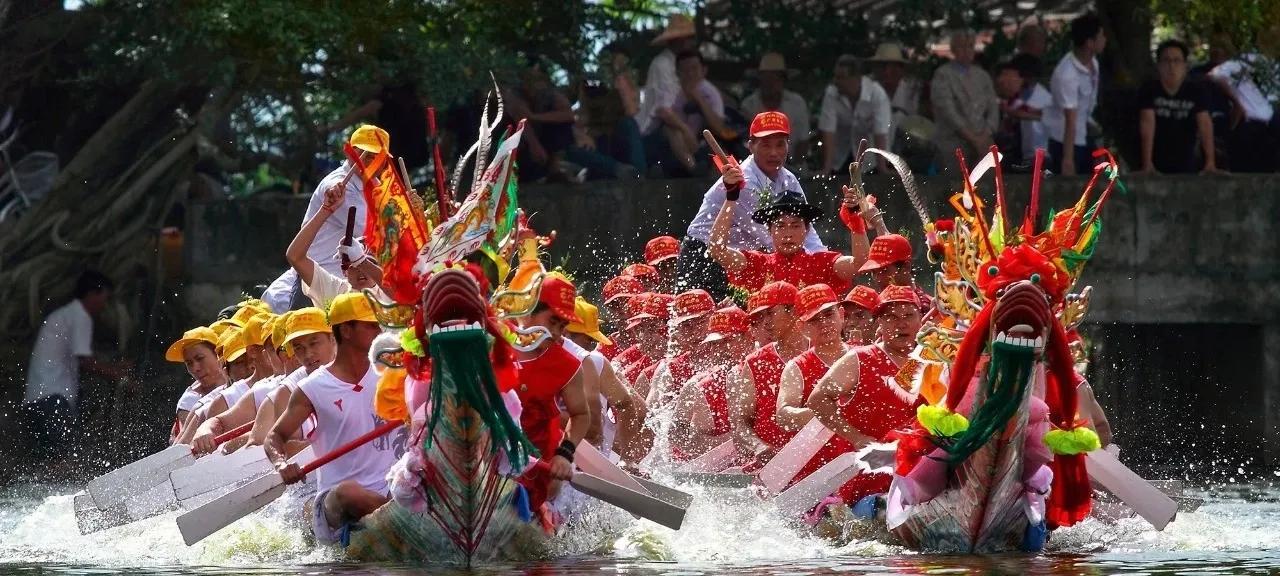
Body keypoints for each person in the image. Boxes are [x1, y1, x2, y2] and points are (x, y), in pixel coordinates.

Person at [268, 293, 405, 545]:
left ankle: (402, 516)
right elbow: (274, 437)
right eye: (370, 325)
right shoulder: (312, 388)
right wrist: (281, 464)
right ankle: (407, 523)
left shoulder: (394, 372)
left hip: (397, 485)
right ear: (346, 331)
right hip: (339, 502)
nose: (378, 330)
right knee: (348, 493)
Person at [679, 111, 826, 298]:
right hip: (704, 256)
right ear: (750, 146)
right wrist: (812, 273)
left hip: (740, 259)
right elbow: (772, 239)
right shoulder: (745, 181)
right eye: (765, 145)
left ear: (788, 146)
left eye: (780, 145)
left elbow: (807, 231)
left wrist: (824, 264)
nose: (774, 153)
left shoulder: (788, 179)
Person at [807, 285, 926, 505]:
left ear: (921, 319)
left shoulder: (931, 359)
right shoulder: (859, 359)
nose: (901, 324)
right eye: (890, 317)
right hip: (870, 479)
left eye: (909, 315)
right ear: (879, 322)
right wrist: (856, 438)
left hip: (921, 474)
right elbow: (817, 400)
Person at [262, 125, 388, 312]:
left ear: (385, 161)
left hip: (361, 280)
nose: (369, 161)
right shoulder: (338, 187)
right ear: (350, 153)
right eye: (364, 154)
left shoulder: (377, 185)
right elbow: (379, 237)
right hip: (324, 280)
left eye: (376, 156)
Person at [22, 270, 130, 462]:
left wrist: (113, 367)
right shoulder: (80, 316)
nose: (104, 305)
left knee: (47, 463)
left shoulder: (64, 315)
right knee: (63, 461)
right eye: (104, 298)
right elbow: (86, 362)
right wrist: (118, 375)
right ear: (92, 294)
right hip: (53, 399)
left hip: (36, 399)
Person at [510, 275, 593, 512]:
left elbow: (581, 415)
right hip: (487, 455)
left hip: (537, 464)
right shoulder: (492, 344)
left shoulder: (567, 364)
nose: (557, 333)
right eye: (553, 321)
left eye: (562, 326)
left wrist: (564, 455)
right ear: (527, 312)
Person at [708, 183, 870, 295]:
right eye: (780, 225)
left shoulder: (822, 263)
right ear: (769, 230)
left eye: (795, 225)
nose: (788, 233)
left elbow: (860, 263)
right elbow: (717, 250)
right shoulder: (757, 264)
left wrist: (855, 221)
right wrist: (731, 197)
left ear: (806, 230)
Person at [728, 281, 809, 463]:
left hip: (820, 464)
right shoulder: (755, 362)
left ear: (794, 311)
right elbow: (740, 424)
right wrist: (758, 447)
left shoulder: (820, 352)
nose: (765, 323)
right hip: (773, 468)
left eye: (770, 313)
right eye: (761, 317)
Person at [564, 297, 651, 461]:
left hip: (589, 463)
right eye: (588, 340)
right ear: (564, 333)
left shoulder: (597, 362)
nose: (592, 348)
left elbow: (633, 408)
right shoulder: (532, 357)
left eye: (593, 341)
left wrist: (628, 460)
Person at [285, 180, 386, 309]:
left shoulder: (388, 294)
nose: (361, 271)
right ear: (344, 271)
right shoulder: (336, 291)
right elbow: (295, 257)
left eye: (370, 263)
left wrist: (361, 261)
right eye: (353, 265)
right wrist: (325, 210)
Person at [670, 305, 753, 460]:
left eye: (727, 340)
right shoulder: (697, 386)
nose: (720, 350)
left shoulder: (765, 368)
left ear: (749, 338)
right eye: (715, 344)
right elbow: (675, 433)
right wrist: (727, 444)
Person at [1138, 40, 1222, 175]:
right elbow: (1147, 124)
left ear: (1185, 66)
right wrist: (1147, 164)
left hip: (1186, 159)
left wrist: (1210, 163)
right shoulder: (1149, 89)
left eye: (1177, 61)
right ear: (1158, 65)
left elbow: (1205, 124)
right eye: (1166, 61)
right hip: (1157, 157)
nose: (1171, 66)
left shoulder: (1196, 90)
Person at [775, 284, 848, 435]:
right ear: (801, 326)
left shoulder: (862, 354)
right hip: (825, 457)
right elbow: (784, 416)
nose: (824, 323)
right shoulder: (796, 367)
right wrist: (833, 411)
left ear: (841, 314)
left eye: (828, 314)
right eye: (814, 319)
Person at [637, 14, 700, 177]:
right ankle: (694, 169)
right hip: (652, 133)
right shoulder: (663, 64)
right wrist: (686, 130)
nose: (691, 43)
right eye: (687, 39)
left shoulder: (685, 65)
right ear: (678, 40)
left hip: (677, 125)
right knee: (674, 130)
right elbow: (664, 111)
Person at [1043, 13, 1106, 176]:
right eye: (1101, 36)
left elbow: (1086, 105)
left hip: (1084, 132)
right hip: (1066, 141)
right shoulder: (1067, 74)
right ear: (1090, 43)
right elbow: (1070, 119)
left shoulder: (1094, 63)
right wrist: (1068, 159)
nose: (1104, 39)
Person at [931, 29, 1000, 172]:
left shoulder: (982, 76)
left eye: (970, 46)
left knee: (987, 186)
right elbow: (948, 111)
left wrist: (986, 133)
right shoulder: (942, 75)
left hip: (983, 140)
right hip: (953, 142)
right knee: (955, 187)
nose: (966, 50)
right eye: (962, 46)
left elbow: (993, 108)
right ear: (953, 49)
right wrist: (973, 138)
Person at [1208, 45, 1279, 173]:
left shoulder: (1266, 63)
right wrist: (1237, 102)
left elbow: (1214, 75)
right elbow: (1215, 75)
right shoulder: (1243, 61)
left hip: (1266, 127)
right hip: (1251, 125)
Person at [819, 55, 893, 174]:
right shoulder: (831, 93)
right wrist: (826, 168)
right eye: (835, 77)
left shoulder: (877, 94)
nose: (836, 81)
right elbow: (828, 132)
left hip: (871, 159)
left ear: (856, 78)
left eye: (841, 77)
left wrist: (882, 168)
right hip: (841, 156)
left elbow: (880, 133)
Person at [645, 289, 715, 411]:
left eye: (700, 322)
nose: (694, 331)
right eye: (687, 325)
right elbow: (651, 415)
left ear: (713, 317)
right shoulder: (669, 369)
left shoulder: (735, 354)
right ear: (678, 329)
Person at [742, 53, 812, 159]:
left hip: (793, 164)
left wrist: (795, 164)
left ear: (783, 80)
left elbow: (804, 140)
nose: (771, 83)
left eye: (775, 78)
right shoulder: (749, 106)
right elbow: (745, 143)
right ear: (760, 80)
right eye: (767, 79)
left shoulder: (797, 103)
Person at [166, 326, 230, 442]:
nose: (195, 368)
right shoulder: (189, 400)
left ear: (218, 354)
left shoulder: (238, 377)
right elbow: (185, 446)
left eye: (200, 358)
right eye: (189, 363)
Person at [995, 55, 1052, 167]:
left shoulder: (1043, 99)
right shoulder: (1016, 99)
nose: (1002, 80)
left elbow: (1026, 113)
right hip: (1025, 156)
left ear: (1025, 78)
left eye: (1009, 75)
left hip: (1041, 158)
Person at [868, 43, 922, 129]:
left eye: (892, 67)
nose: (887, 72)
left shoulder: (912, 90)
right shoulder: (867, 88)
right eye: (882, 66)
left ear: (901, 69)